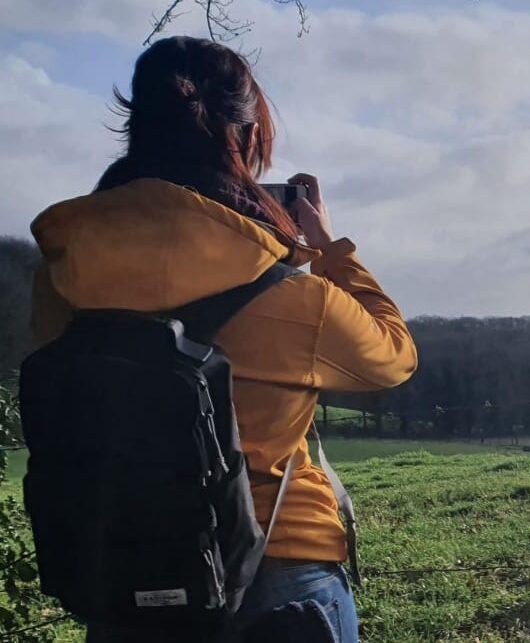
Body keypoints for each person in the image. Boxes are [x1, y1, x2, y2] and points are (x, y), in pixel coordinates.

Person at [29, 36, 417, 641]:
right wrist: (329, 251)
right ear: (248, 135)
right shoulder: (293, 294)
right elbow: (393, 357)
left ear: (137, 126)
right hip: (279, 568)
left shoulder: (64, 273)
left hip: (125, 566)